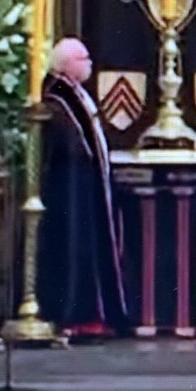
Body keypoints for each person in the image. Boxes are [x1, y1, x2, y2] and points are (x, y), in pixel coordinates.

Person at [36, 38, 129, 339]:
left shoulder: (73, 94)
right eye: (83, 59)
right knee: (74, 245)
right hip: (71, 191)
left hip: (85, 188)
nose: (89, 64)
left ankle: (94, 313)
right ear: (67, 65)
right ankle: (75, 314)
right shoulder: (56, 98)